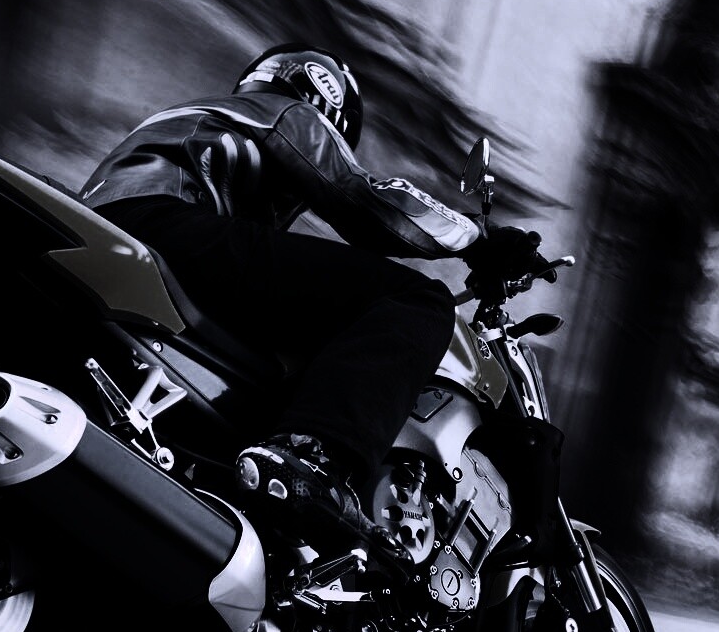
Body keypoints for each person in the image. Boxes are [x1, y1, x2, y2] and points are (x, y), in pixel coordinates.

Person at [79, 44, 543, 558]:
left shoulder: (203, 126)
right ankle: (314, 460)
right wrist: (478, 238)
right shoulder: (281, 112)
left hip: (138, 237)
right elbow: (359, 195)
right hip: (163, 226)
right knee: (417, 298)